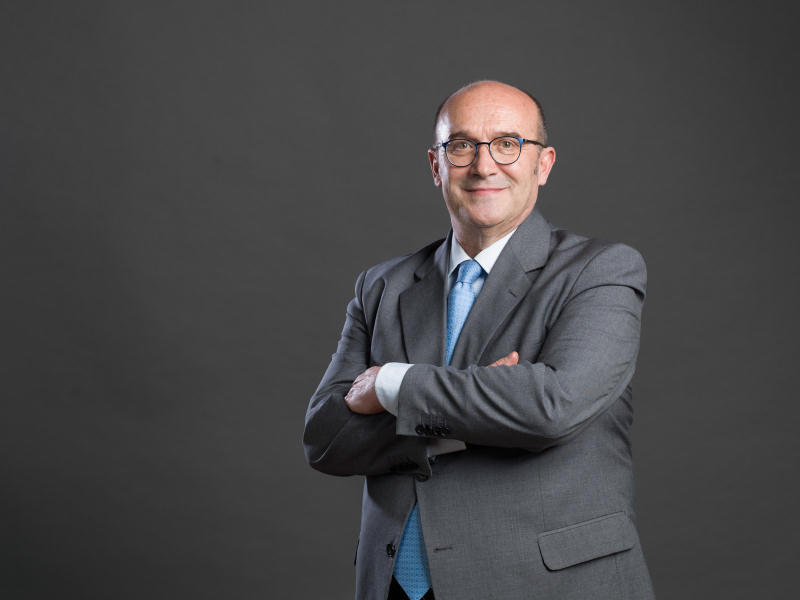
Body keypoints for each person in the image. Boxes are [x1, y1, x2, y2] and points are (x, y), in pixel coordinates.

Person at [303, 80, 655, 600]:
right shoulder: (382, 286)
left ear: (543, 164)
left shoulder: (600, 271)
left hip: (544, 585)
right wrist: (479, 408)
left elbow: (549, 408)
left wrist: (391, 386)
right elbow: (324, 439)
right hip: (394, 584)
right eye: (462, 145)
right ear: (435, 165)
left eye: (508, 144)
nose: (484, 166)